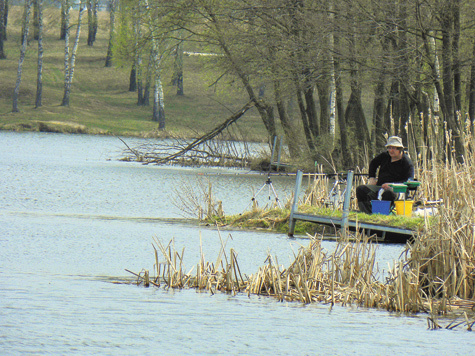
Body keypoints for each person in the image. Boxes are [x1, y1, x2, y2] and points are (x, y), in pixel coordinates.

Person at [356, 136, 414, 214]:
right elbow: (373, 163)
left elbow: (409, 181)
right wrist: (372, 177)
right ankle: (367, 213)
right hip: (380, 187)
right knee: (361, 189)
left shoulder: (407, 162)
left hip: (397, 190)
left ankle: (383, 214)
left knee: (388, 193)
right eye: (389, 148)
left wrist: (392, 185)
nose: (391, 150)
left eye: (393, 148)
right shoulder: (385, 156)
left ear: (400, 149)